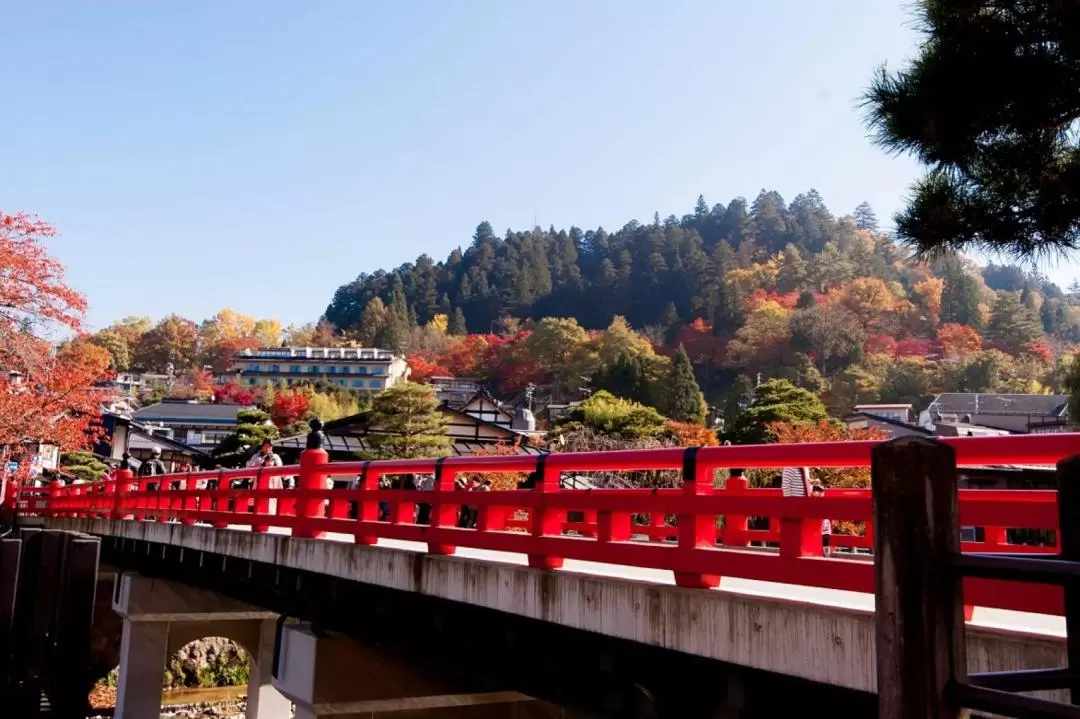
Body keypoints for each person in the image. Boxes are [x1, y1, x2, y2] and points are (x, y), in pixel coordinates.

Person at [811, 483, 831, 556]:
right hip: (816, 526)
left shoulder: (824, 501)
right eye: (819, 491)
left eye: (821, 492)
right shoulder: (812, 500)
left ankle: (827, 555)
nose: (821, 493)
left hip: (824, 524)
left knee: (826, 539)